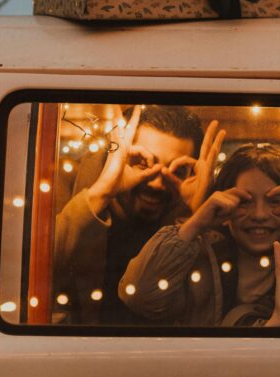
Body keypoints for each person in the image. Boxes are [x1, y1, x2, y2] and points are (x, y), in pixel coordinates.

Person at [119, 143, 280, 326]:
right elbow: (139, 297)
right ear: (224, 206)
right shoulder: (198, 261)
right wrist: (196, 223)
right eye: (245, 201)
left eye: (274, 201)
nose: (259, 215)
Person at [54, 103, 223, 323]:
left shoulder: (191, 221)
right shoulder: (63, 191)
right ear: (115, 157)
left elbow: (201, 313)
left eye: (177, 170)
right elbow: (28, 272)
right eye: (142, 163)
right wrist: (102, 193)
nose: (156, 183)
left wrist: (195, 216)